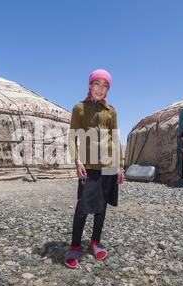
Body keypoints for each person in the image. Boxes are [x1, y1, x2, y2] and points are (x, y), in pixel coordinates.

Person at [65, 69, 125, 269]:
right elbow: (72, 137)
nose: (100, 89)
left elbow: (115, 139)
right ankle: (75, 246)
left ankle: (95, 242)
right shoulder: (79, 108)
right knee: (83, 207)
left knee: (102, 206)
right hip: (88, 166)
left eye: (105, 85)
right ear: (90, 85)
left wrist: (120, 165)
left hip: (108, 165)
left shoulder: (111, 111)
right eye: (97, 84)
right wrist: (77, 161)